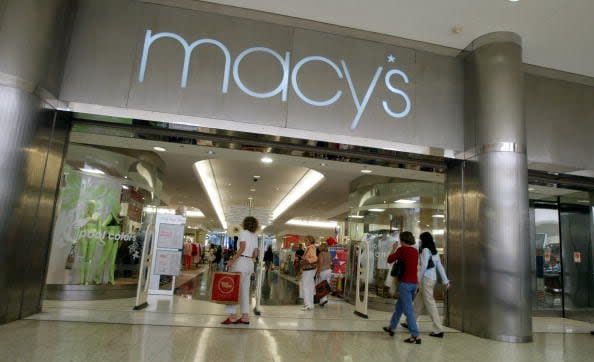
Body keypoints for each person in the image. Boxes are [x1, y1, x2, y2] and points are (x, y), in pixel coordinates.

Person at [401, 232, 450, 338]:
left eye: (421, 240)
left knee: (430, 304)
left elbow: (423, 266)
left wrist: (417, 279)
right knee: (418, 302)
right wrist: (446, 281)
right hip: (432, 279)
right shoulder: (434, 251)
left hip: (426, 280)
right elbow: (440, 267)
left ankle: (438, 329)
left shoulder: (425, 250)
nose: (420, 241)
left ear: (424, 240)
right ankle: (409, 322)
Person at [383, 231, 421, 344]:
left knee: (408, 311)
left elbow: (389, 259)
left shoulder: (401, 250)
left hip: (405, 284)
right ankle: (392, 327)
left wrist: (394, 248)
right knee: (399, 307)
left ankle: (415, 335)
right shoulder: (415, 251)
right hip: (414, 283)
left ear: (402, 240)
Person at [221, 216, 259, 325]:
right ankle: (245, 316)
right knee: (245, 290)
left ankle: (232, 316)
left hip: (241, 262)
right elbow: (255, 253)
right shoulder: (255, 236)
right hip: (250, 263)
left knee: (233, 289)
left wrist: (232, 261)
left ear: (244, 223)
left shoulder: (243, 233)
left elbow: (242, 248)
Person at [300, 236, 318, 311]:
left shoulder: (310, 248)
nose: (305, 242)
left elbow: (314, 258)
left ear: (310, 241)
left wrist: (306, 259)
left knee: (305, 286)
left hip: (308, 269)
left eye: (306, 240)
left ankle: (307, 304)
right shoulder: (312, 248)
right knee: (310, 287)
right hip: (311, 270)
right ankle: (310, 304)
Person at [316, 242, 332, 307]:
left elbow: (321, 263)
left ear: (322, 247)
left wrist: (318, 272)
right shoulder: (329, 254)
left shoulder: (321, 254)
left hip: (323, 271)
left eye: (320, 246)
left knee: (321, 286)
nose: (319, 247)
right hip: (329, 270)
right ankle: (324, 299)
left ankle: (323, 300)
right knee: (325, 285)